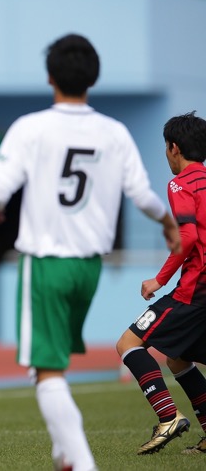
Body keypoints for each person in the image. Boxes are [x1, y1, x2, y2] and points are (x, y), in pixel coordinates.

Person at [0, 33, 180, 471]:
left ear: (50, 76)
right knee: (52, 366)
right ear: (94, 78)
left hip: (45, 263)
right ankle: (63, 453)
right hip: (89, 267)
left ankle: (82, 463)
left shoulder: (31, 127)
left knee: (46, 372)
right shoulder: (115, 132)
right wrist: (167, 223)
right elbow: (143, 195)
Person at [116, 111, 206, 456]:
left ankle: (168, 416)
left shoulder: (180, 183)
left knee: (128, 343)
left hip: (194, 290)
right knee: (179, 359)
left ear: (173, 148)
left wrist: (159, 279)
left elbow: (187, 236)